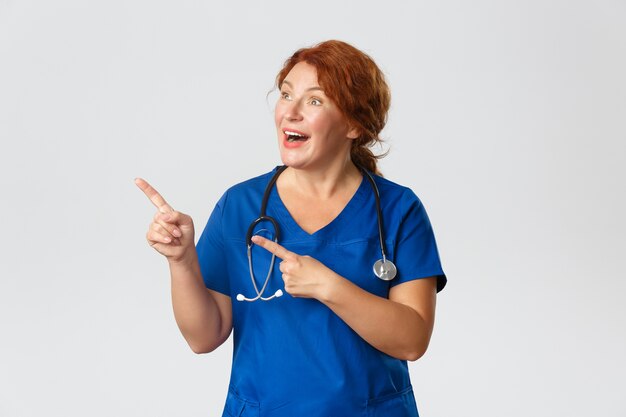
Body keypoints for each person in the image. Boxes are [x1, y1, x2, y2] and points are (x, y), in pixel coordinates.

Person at [136, 40, 446, 417]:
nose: (290, 113)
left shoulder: (399, 210)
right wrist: (182, 262)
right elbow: (203, 337)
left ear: (354, 124)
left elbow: (412, 341)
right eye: (286, 95)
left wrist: (328, 287)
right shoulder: (240, 206)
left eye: (315, 101)